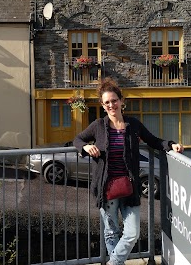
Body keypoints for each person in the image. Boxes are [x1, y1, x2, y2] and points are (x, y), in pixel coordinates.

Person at [73, 77, 183, 265]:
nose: (111, 105)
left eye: (114, 100)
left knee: (132, 234)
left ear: (121, 101)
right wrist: (84, 147)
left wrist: (171, 145)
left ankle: (113, 263)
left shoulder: (133, 125)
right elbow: (77, 139)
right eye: (106, 102)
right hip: (106, 188)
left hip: (129, 187)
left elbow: (153, 141)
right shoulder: (98, 125)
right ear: (102, 104)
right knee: (111, 232)